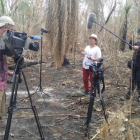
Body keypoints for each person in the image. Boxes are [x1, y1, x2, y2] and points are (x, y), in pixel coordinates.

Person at [0, 16, 14, 119]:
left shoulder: (3, 42)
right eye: (10, 30)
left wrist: (8, 72)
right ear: (6, 25)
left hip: (2, 82)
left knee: (1, 111)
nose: (11, 33)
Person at [122, 29, 140, 101]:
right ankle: (129, 94)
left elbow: (137, 48)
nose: (138, 35)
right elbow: (131, 47)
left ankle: (139, 96)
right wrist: (131, 39)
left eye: (139, 33)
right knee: (132, 79)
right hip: (135, 64)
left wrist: (136, 47)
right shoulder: (138, 42)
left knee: (139, 81)